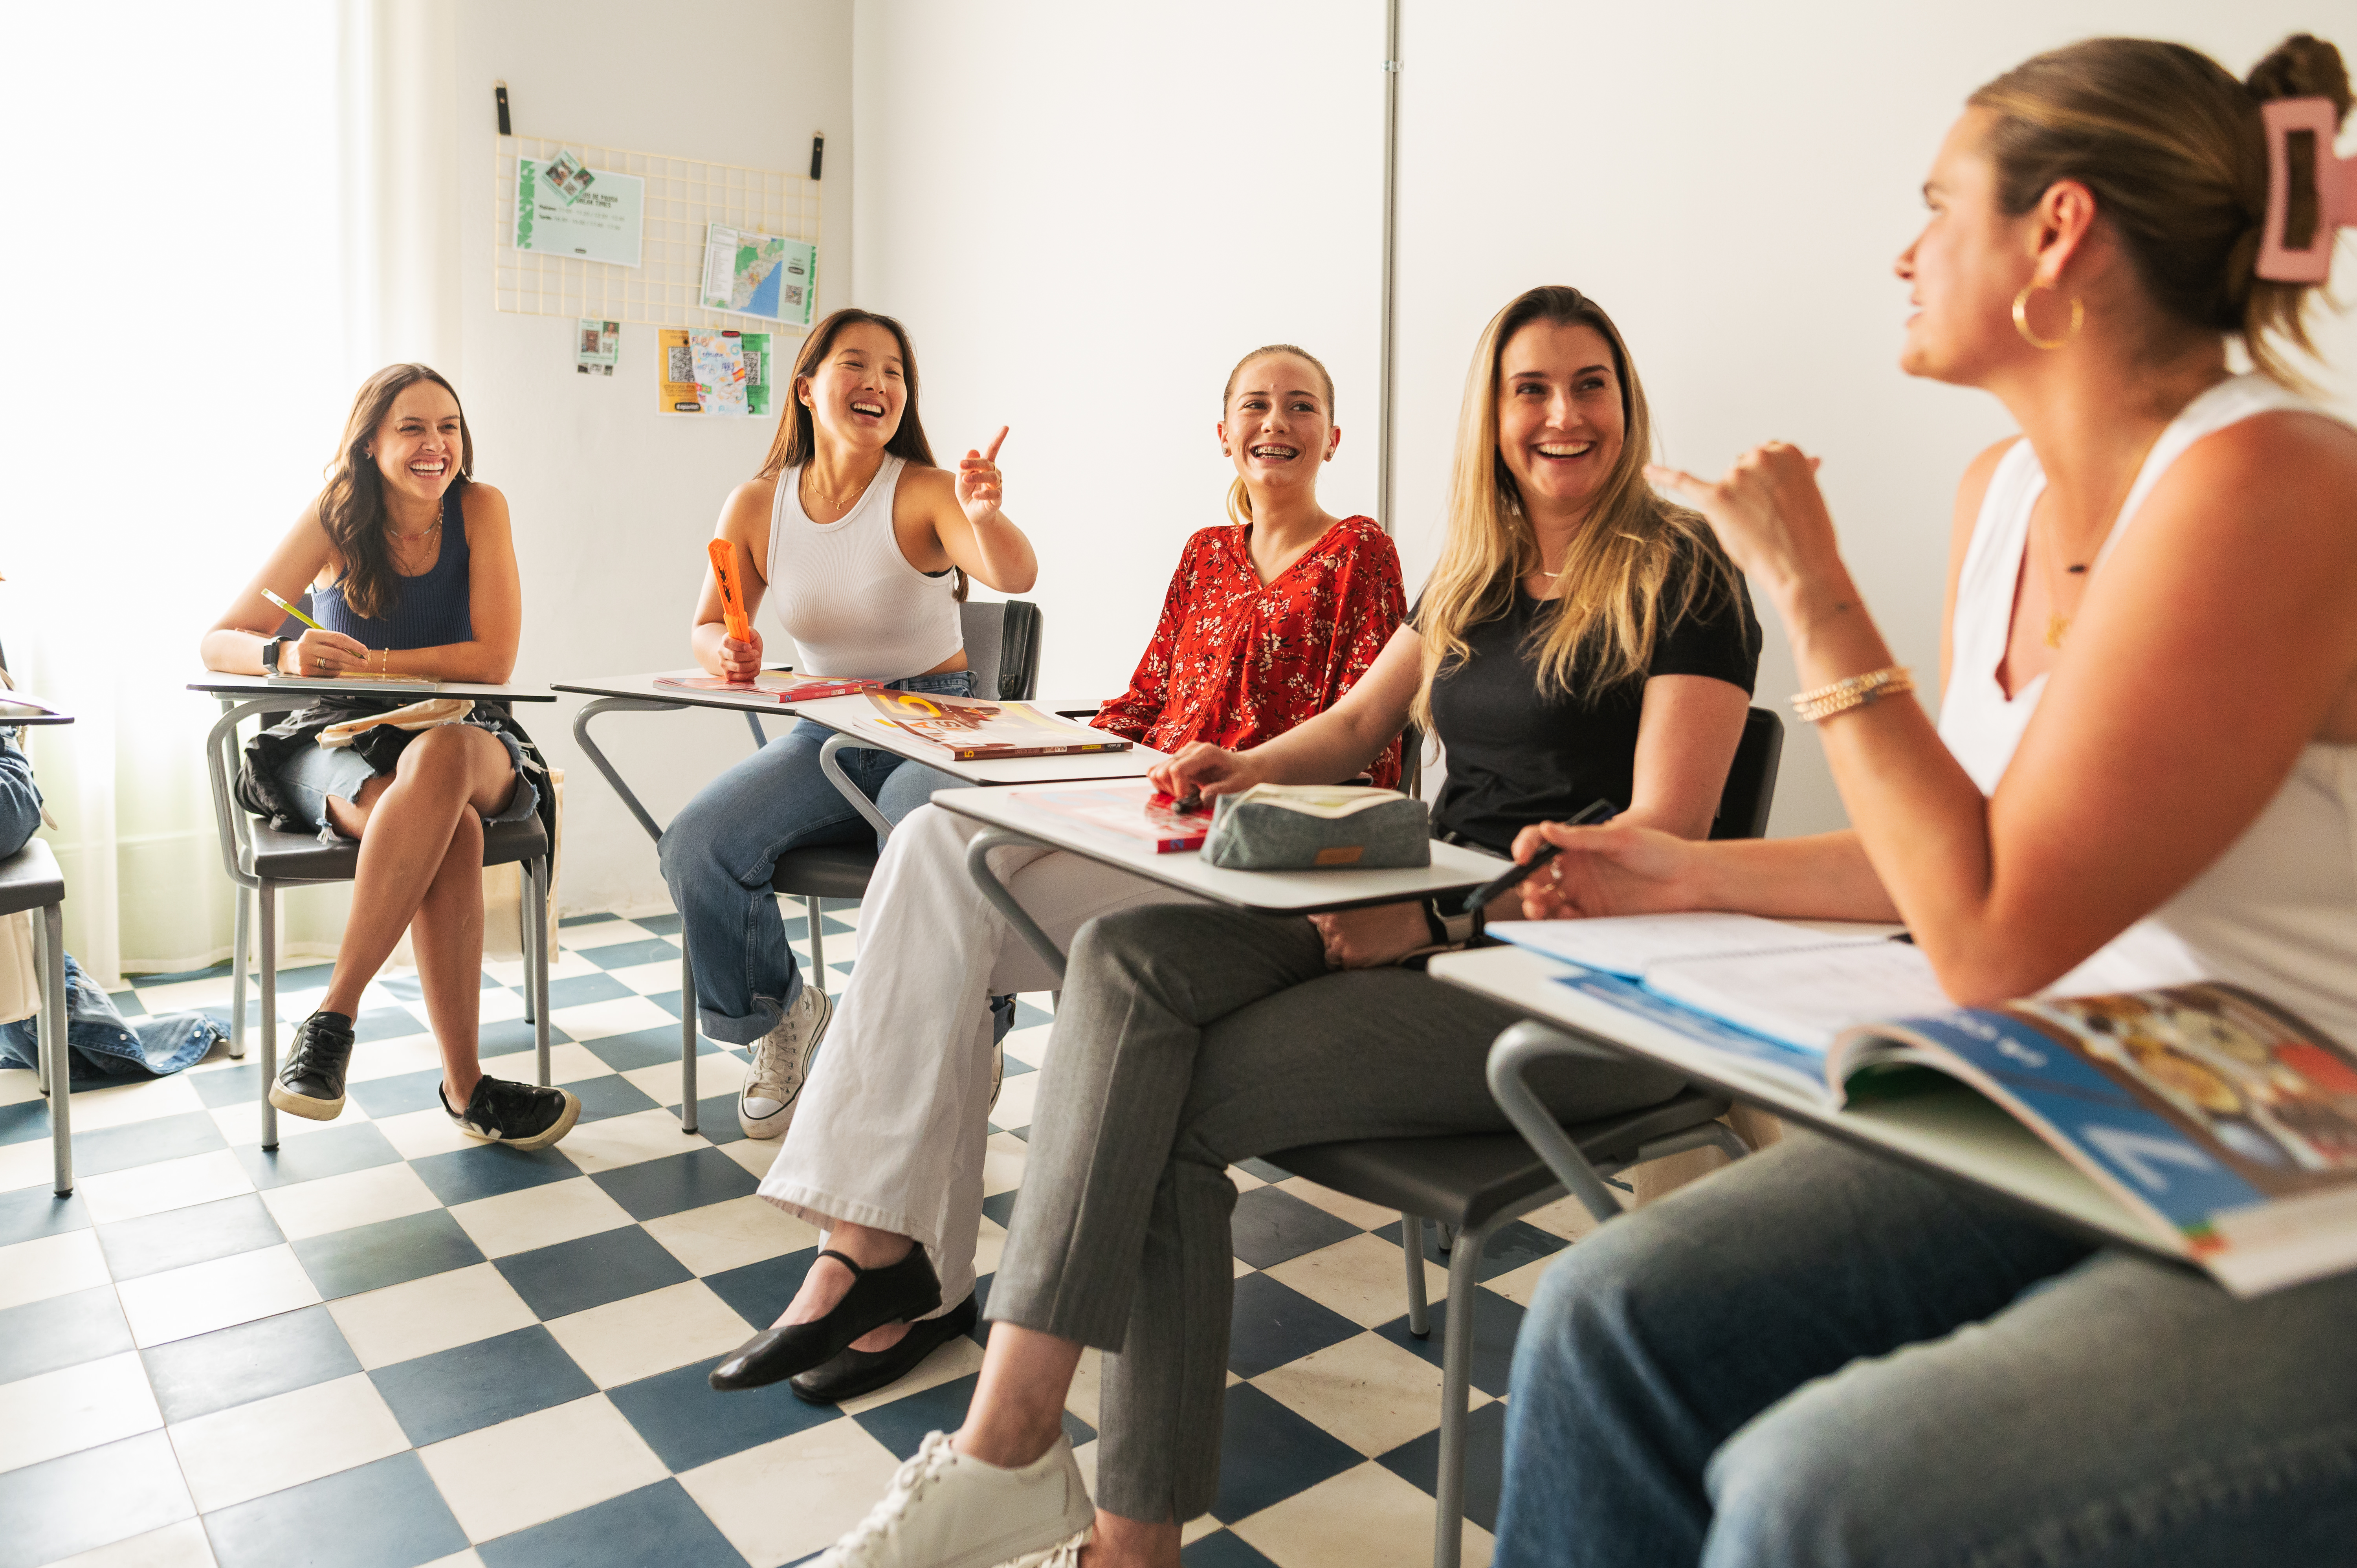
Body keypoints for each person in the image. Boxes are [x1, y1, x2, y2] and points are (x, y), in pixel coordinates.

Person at [1477, 35, 2357, 1568]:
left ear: (2056, 232)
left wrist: (1813, 594)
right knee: (1604, 1312)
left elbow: (1991, 936)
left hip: (2314, 1153)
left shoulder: (2265, 478)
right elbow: (1959, 859)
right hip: (2106, 1098)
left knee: (1828, 1494)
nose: (1904, 246)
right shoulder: (1998, 493)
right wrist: (1677, 870)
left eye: (1937, 202)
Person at [802, 285, 1765, 1568]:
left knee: (1164, 1098)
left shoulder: (1683, 571)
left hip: (1572, 978)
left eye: (1589, 385)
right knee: (1123, 958)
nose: (1561, 415)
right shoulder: (1474, 566)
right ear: (1491, 413)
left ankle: (1064, 1493)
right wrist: (1238, 770)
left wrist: (1436, 909)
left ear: (1626, 405)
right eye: (1530, 388)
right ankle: (1023, 1456)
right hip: (1428, 917)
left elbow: (1656, 850)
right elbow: (1358, 731)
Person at [710, 343, 1408, 1405]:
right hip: (1141, 815)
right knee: (939, 842)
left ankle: (889, 1270)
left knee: (943, 901)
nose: (1277, 420)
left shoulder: (1362, 551)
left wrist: (1242, 782)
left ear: (1333, 437)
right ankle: (883, 1260)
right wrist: (1033, 736)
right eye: (1255, 405)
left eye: (1301, 405)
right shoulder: (1206, 551)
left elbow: (1368, 740)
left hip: (1249, 853)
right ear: (1222, 433)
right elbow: (1145, 702)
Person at [658, 308, 1038, 1142]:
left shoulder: (929, 491)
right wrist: (729, 650)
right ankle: (785, 1016)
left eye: (895, 371)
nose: (879, 384)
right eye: (857, 365)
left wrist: (985, 513)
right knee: (698, 843)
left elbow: (1014, 572)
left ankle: (976, 1018)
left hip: (939, 718)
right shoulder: (757, 503)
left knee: (924, 836)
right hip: (825, 728)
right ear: (806, 387)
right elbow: (709, 621)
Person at [200, 364, 576, 1148]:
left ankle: (332, 1019)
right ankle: (468, 1087)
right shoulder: (335, 518)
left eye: (449, 427)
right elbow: (219, 637)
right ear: (370, 444)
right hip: (338, 736)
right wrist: (287, 658)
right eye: (413, 428)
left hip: (463, 730)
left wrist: (371, 663)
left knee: (438, 761)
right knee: (454, 834)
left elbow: (492, 659)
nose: (437, 444)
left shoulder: (481, 508)